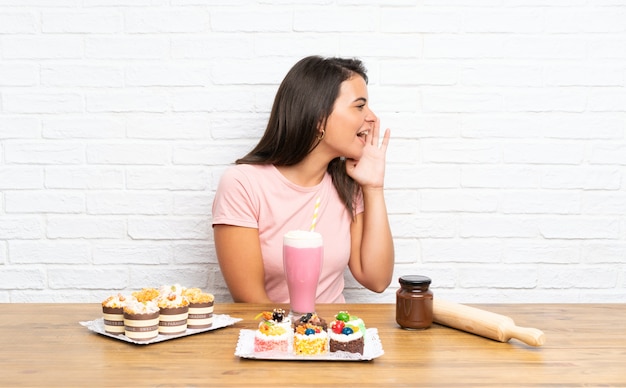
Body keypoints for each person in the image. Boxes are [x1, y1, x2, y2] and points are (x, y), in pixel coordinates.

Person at [212, 55, 394, 304]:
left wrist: (373, 187)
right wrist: (306, 338)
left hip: (335, 335)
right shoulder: (243, 184)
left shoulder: (347, 187)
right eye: (360, 106)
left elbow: (377, 279)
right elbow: (250, 301)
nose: (372, 117)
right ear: (319, 117)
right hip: (275, 336)